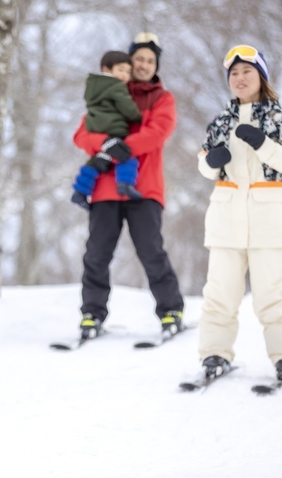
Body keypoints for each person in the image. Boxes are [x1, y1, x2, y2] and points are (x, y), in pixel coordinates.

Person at [196, 45, 282, 381]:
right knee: (219, 295)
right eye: (234, 73)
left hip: (268, 223)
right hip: (226, 222)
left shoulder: (279, 119)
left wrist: (263, 143)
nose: (240, 78)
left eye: (247, 71)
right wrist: (210, 163)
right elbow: (204, 164)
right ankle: (215, 355)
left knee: (271, 296)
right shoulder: (221, 121)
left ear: (261, 77)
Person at [71, 32, 184, 340]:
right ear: (130, 63)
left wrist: (124, 147)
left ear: (156, 65)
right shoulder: (110, 92)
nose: (144, 65)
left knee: (151, 251)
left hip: (145, 188)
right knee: (96, 254)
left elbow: (158, 132)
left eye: (150, 60)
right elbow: (82, 135)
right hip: (106, 189)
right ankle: (92, 315)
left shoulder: (162, 98)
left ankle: (171, 310)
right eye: (139, 59)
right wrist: (106, 143)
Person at [82, 50, 143, 199]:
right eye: (121, 70)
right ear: (106, 69)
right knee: (125, 152)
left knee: (97, 159)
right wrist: (137, 117)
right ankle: (125, 184)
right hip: (112, 126)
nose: (125, 76)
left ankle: (80, 190)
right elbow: (127, 106)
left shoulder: (92, 85)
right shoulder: (116, 86)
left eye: (128, 72)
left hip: (94, 125)